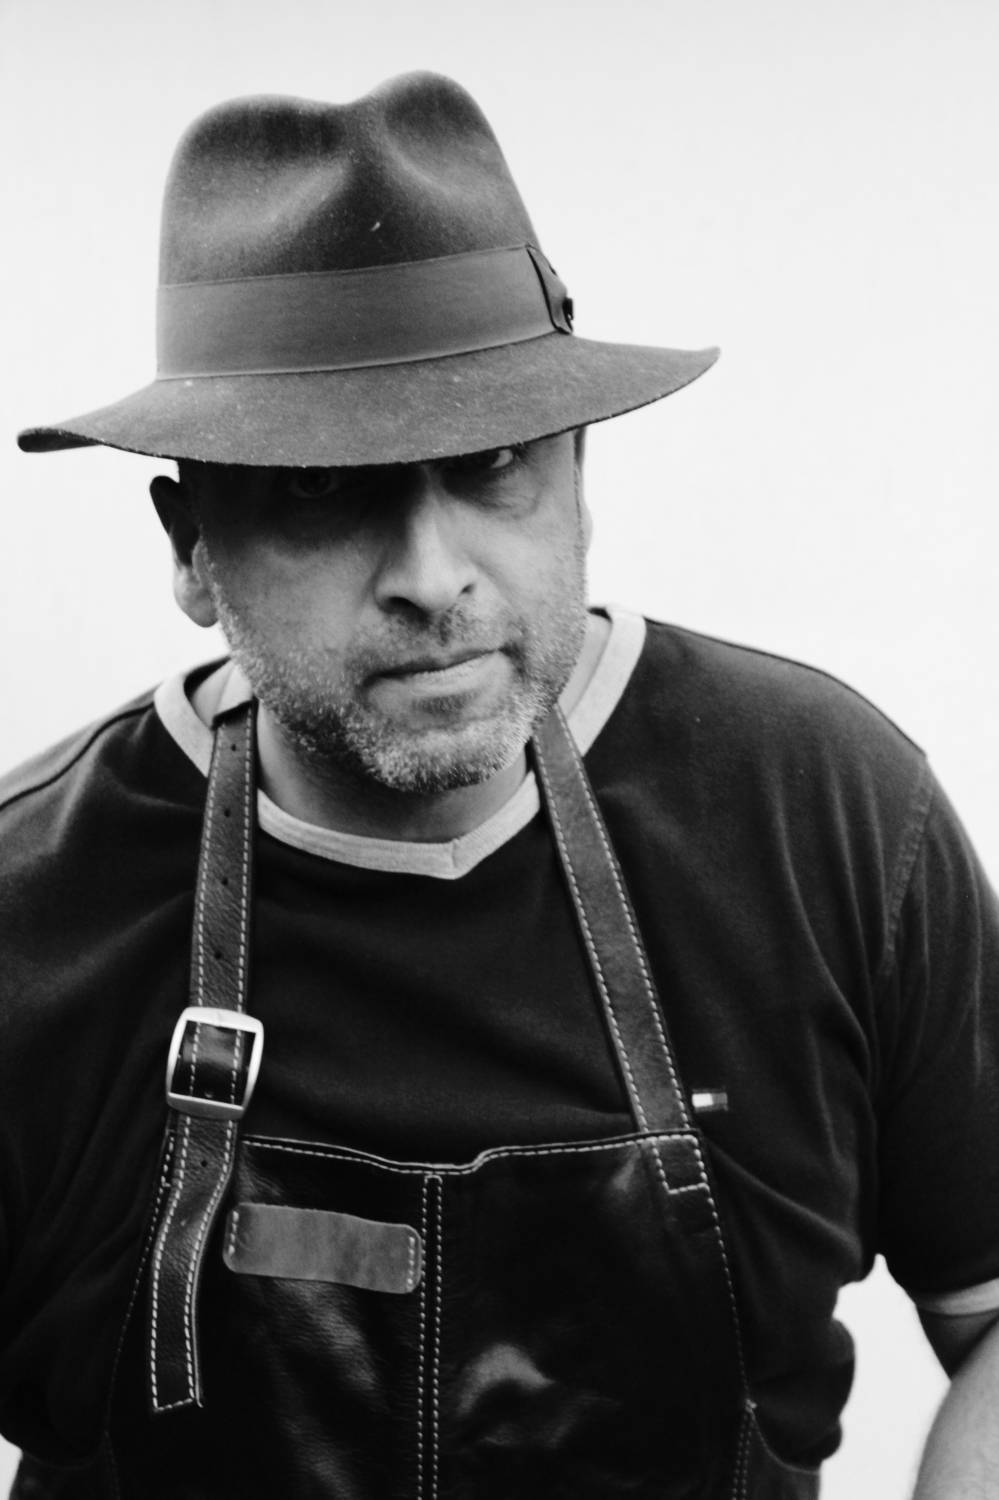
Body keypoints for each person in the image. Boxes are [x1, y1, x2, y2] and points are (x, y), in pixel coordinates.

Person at [1, 70, 997, 1500]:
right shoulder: (31, 917)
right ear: (191, 545)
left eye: (493, 464)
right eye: (322, 489)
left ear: (581, 478)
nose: (433, 575)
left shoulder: (827, 819)